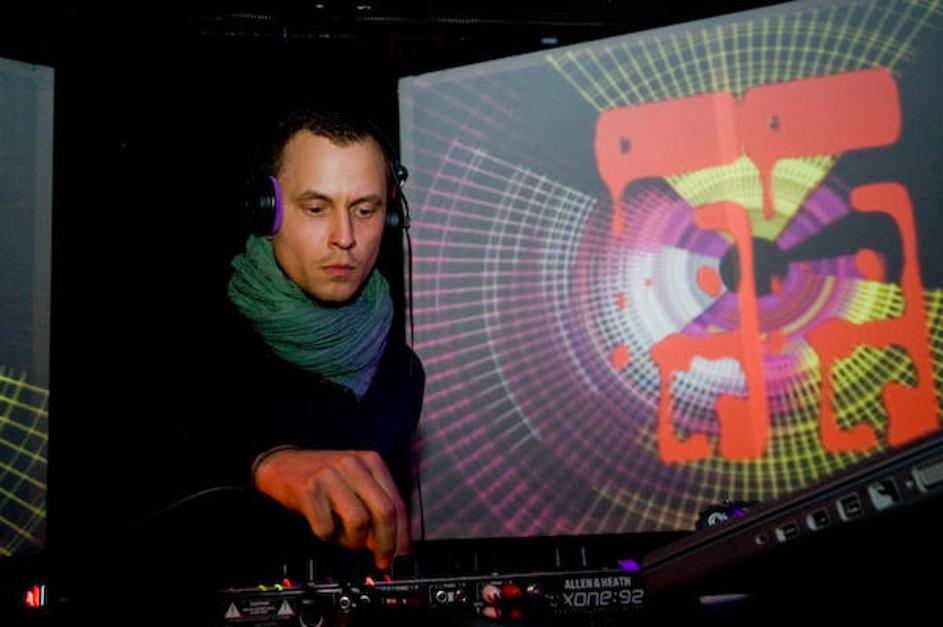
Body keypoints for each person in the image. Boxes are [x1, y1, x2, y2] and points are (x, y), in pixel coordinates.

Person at [202, 105, 425, 579]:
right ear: (268, 211)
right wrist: (265, 465)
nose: (345, 237)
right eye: (316, 208)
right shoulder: (194, 341)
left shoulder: (401, 371)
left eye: (364, 210)